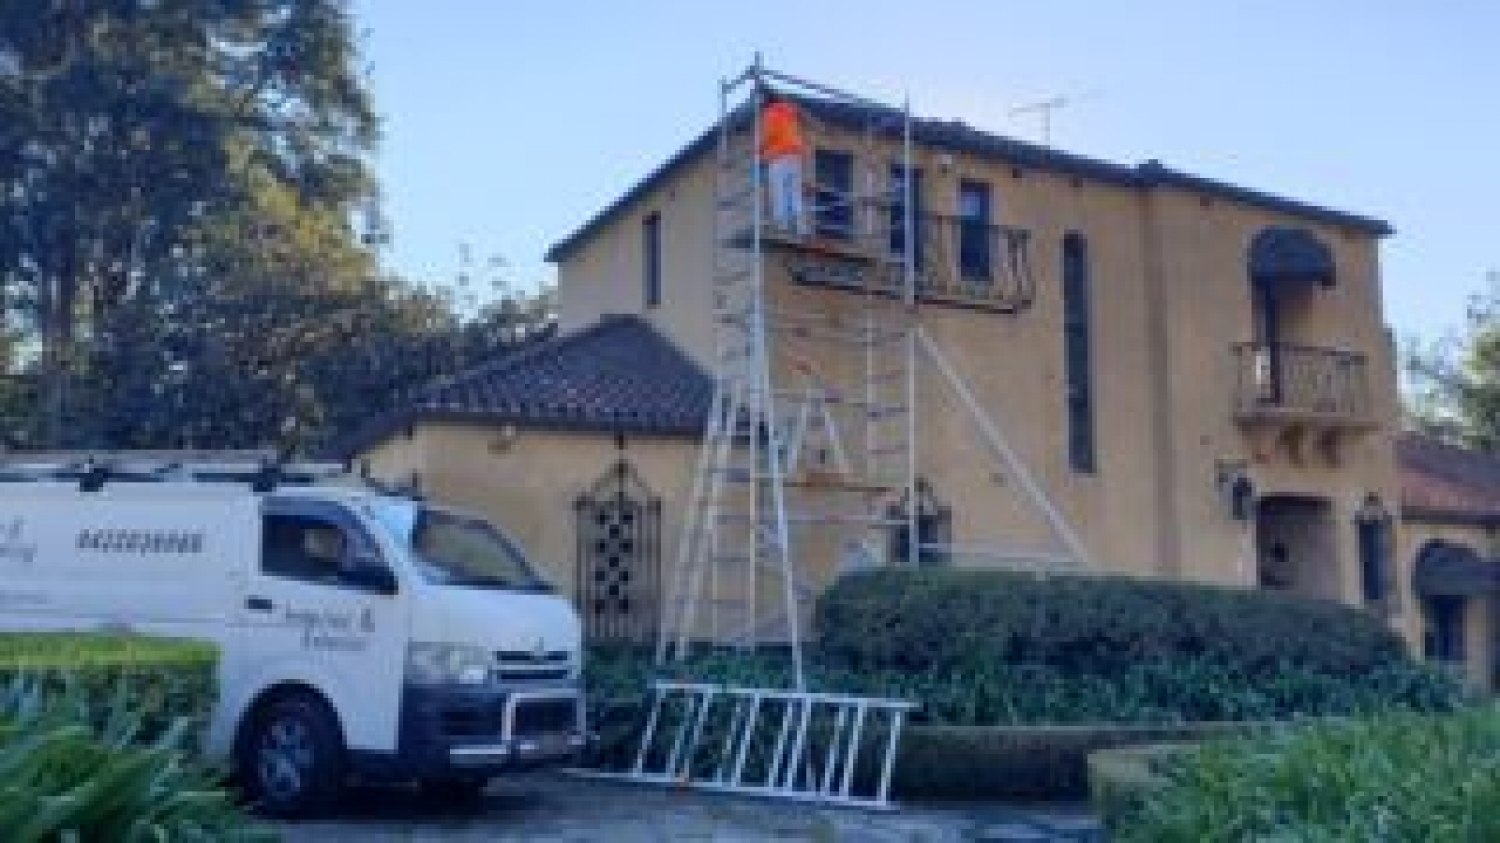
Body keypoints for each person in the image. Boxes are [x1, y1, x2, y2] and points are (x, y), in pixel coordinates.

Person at [759, 89, 808, 236]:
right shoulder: (789, 112)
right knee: (794, 193)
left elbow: (770, 135)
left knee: (779, 191)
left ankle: (782, 226)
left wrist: (759, 149)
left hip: (779, 155)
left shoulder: (771, 113)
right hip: (795, 155)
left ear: (766, 103)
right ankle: (801, 227)